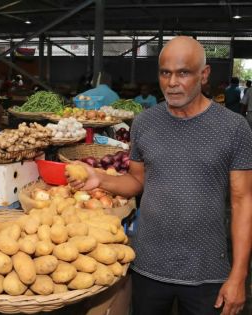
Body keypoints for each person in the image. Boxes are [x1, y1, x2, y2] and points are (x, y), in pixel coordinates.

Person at [67, 36, 252, 315]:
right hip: (148, 266)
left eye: (183, 73)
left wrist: (239, 276)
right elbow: (137, 181)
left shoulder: (233, 128)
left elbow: (242, 203)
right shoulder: (144, 122)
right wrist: (100, 179)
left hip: (207, 270)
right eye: (165, 73)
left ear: (204, 75)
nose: (172, 82)